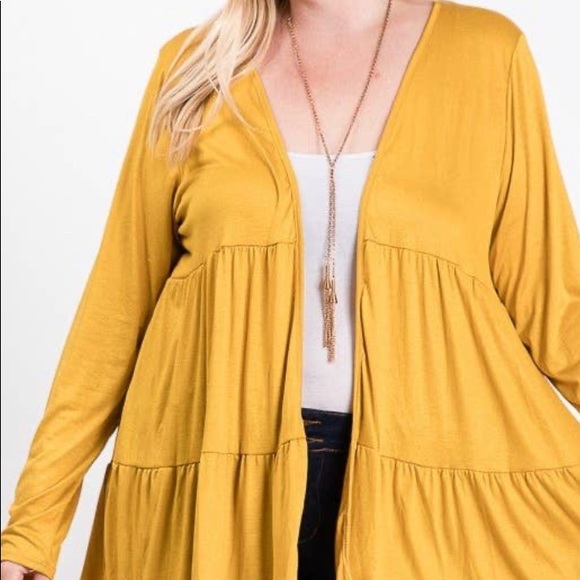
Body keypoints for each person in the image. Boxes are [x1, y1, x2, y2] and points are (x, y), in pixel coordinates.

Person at [2, 0, 580, 578]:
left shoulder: (488, 54)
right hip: (218, 488)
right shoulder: (194, 69)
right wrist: (32, 527)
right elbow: (114, 318)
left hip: (434, 494)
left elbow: (556, 308)